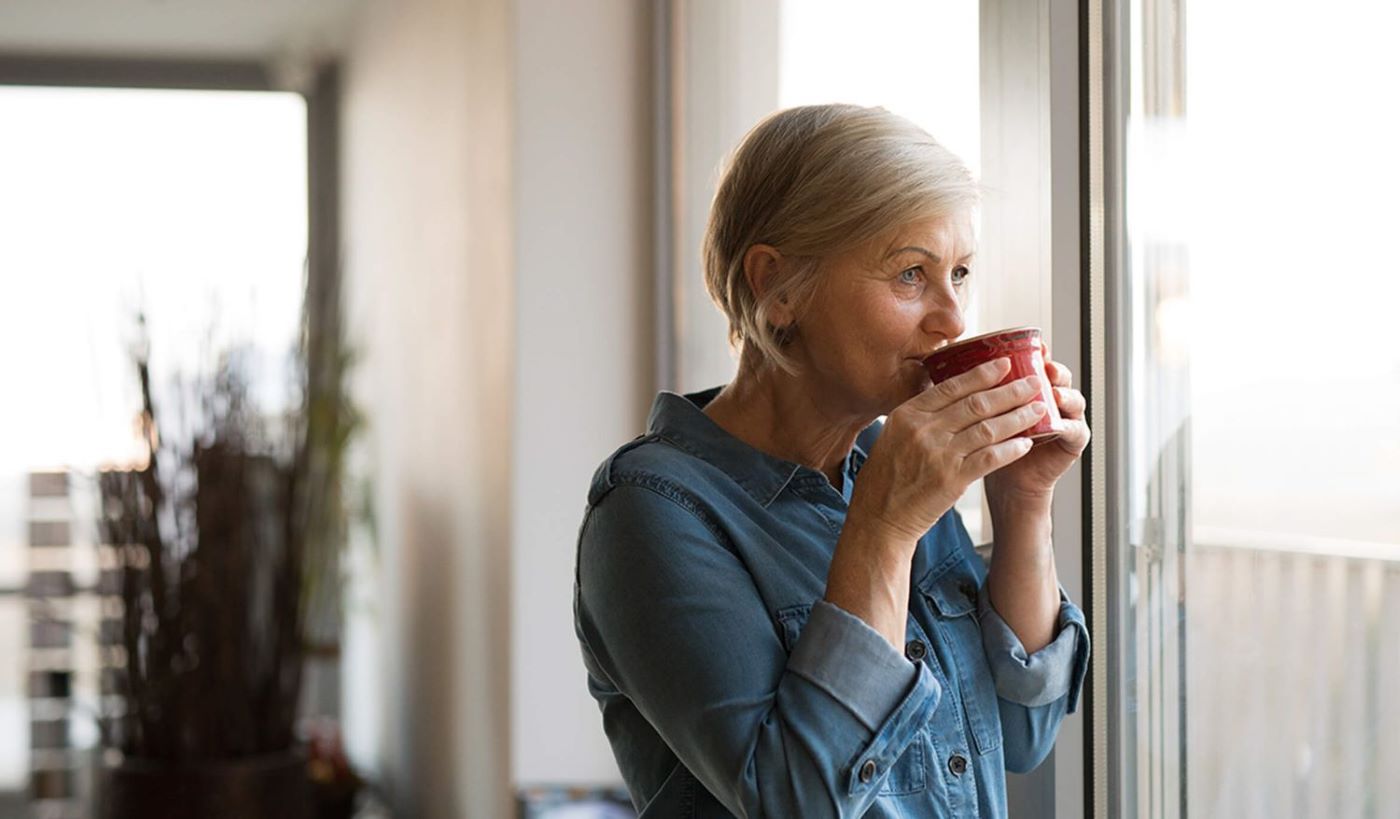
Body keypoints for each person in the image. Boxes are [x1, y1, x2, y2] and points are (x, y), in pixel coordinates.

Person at [574, 104, 1090, 818]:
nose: (953, 318)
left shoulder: (889, 463)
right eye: (912, 273)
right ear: (776, 288)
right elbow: (797, 802)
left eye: (960, 273)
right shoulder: (652, 512)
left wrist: (1023, 500)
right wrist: (882, 528)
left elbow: (1019, 729)